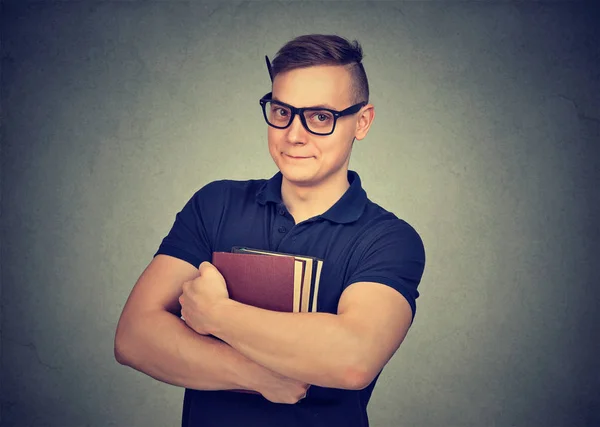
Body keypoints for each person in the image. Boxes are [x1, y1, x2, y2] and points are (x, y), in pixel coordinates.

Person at [114, 34, 426, 427]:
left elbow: (353, 360)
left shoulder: (389, 239)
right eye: (282, 112)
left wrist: (216, 313)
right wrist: (258, 377)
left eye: (320, 117)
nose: (294, 134)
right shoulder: (216, 204)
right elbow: (134, 338)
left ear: (361, 122)